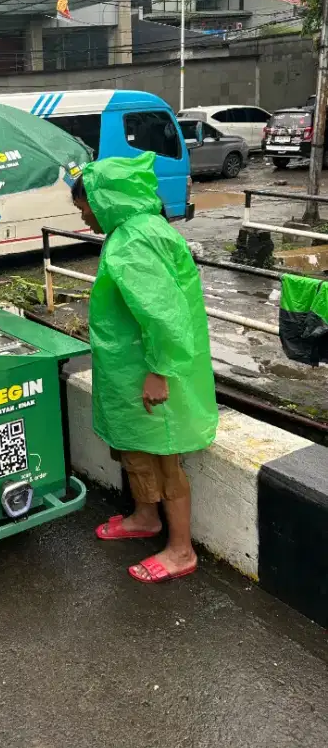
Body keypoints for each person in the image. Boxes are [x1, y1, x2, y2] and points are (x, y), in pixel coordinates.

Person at [71, 152, 218, 584]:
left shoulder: (135, 241)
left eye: (85, 207)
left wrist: (159, 371)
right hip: (133, 368)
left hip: (150, 373)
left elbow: (163, 315)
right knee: (137, 449)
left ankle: (180, 550)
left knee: (163, 458)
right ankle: (144, 517)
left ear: (106, 200)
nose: (84, 217)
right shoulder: (135, 232)